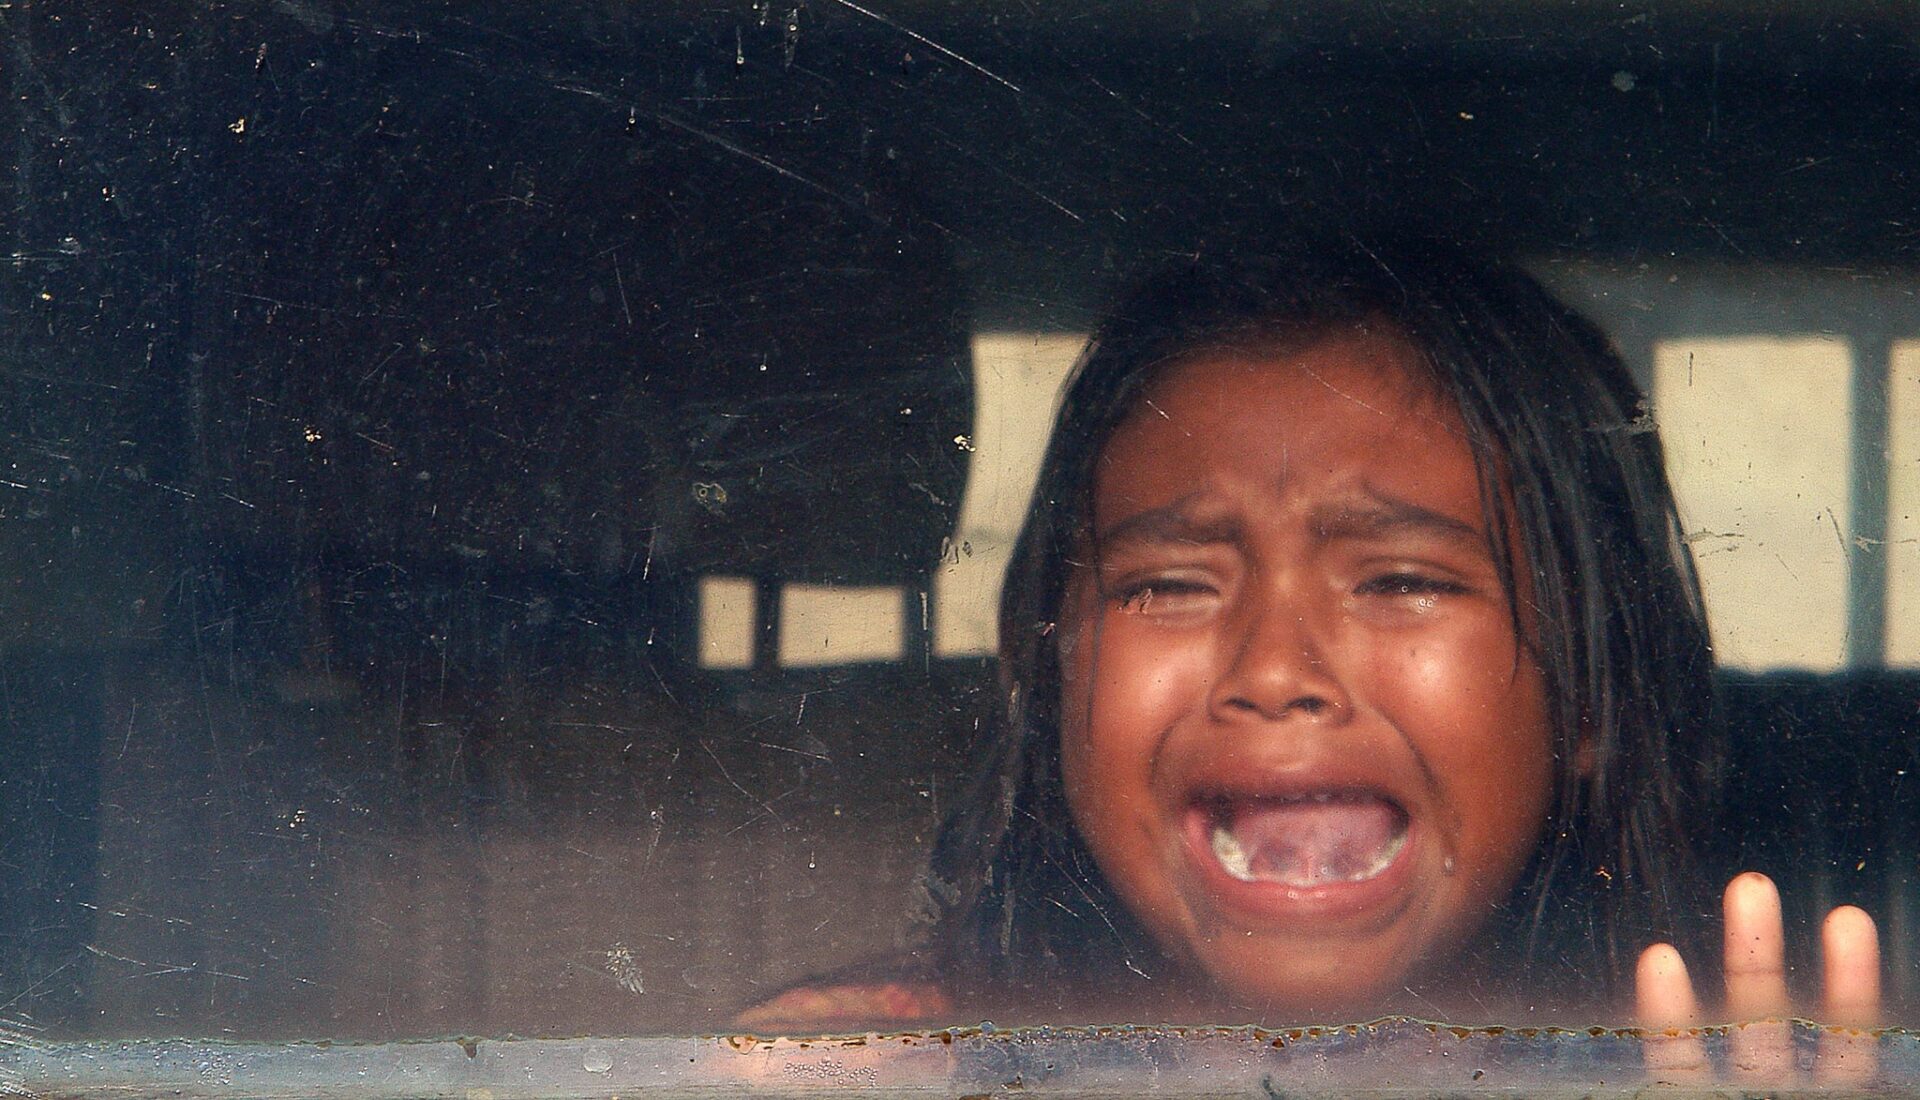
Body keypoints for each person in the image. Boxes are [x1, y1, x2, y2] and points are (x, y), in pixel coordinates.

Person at [738, 236, 1881, 1081]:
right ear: (1042, 676)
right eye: (1169, 585)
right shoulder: (877, 1065)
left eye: (1401, 581)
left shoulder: (1727, 1064)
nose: (1276, 668)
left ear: (1589, 695)